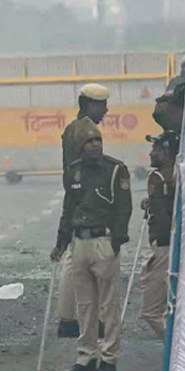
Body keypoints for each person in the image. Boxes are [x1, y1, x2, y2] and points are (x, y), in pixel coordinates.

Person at [52, 124, 131, 371]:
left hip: (103, 242)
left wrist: (116, 242)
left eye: (98, 140)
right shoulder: (73, 171)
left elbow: (123, 209)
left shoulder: (115, 169)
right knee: (85, 306)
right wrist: (61, 243)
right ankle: (86, 357)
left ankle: (109, 360)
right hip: (79, 243)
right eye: (89, 141)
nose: (96, 144)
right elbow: (68, 210)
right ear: (80, 146)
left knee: (109, 305)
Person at [56, 83, 110, 338]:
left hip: (75, 193)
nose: (106, 110)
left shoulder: (71, 128)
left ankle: (68, 317)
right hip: (86, 196)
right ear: (89, 105)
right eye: (102, 105)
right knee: (82, 258)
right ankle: (73, 319)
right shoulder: (89, 130)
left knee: (72, 255)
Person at [140, 130, 178, 371]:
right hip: (177, 247)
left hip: (165, 248)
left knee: (152, 310)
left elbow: (164, 220)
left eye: (156, 149)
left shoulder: (157, 178)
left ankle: (176, 361)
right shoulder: (177, 175)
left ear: (167, 152)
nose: (151, 153)